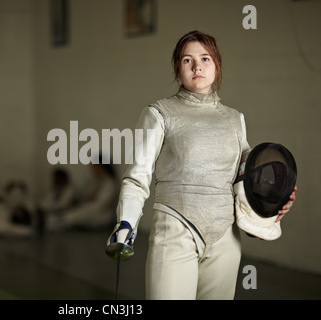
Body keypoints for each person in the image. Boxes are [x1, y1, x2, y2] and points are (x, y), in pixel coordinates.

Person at [107, 30, 297, 300]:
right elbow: (137, 177)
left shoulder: (234, 119)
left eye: (205, 58)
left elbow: (246, 179)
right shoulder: (159, 113)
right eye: (187, 60)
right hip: (174, 231)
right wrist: (125, 223)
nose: (197, 66)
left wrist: (274, 203)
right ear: (177, 68)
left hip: (224, 238)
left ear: (217, 65)